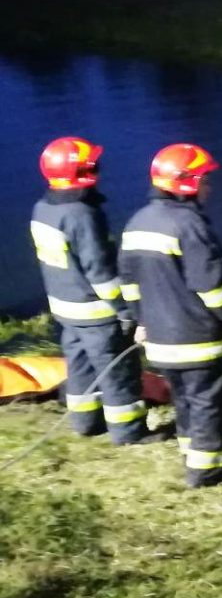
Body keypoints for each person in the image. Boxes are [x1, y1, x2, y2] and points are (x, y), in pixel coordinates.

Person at [119, 143, 222, 487]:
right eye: (205, 179)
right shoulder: (190, 226)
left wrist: (140, 320)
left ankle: (192, 456)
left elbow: (129, 284)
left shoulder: (137, 223)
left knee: (184, 400)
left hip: (159, 339)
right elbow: (213, 287)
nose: (210, 186)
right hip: (197, 338)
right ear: (188, 184)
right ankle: (206, 473)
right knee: (208, 403)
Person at [30, 137, 148, 445]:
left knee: (80, 368)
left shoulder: (43, 208)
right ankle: (129, 433)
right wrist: (125, 310)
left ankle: (85, 423)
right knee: (116, 372)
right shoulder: (82, 214)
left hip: (65, 310)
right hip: (97, 313)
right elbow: (101, 271)